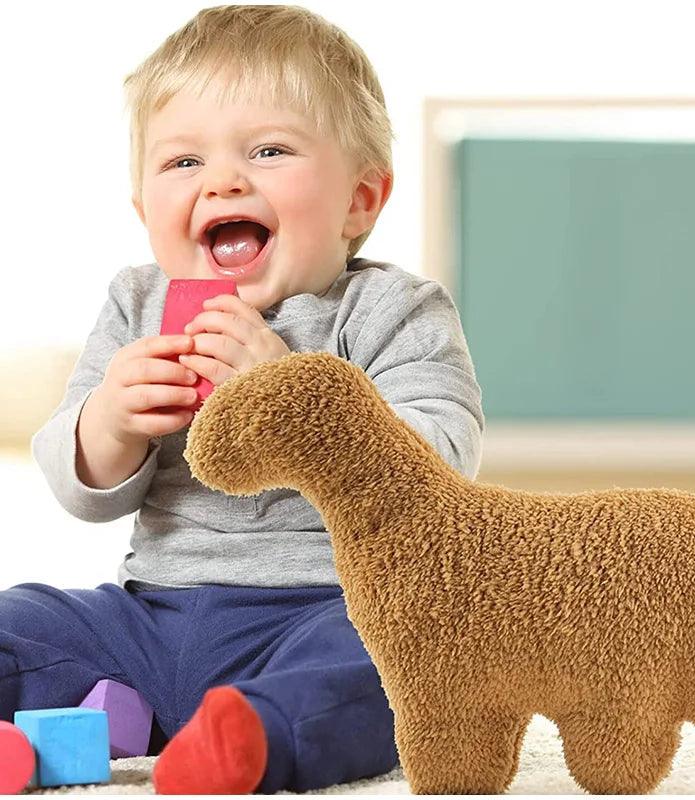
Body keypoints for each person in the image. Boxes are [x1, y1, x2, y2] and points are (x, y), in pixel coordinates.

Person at [15, 3, 484, 794]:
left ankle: (249, 738)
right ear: (142, 210)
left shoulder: (393, 311)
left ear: (361, 200)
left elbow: (440, 469)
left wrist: (292, 402)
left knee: (410, 657)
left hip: (324, 610)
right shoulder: (138, 303)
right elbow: (77, 485)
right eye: (181, 162)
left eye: (269, 151)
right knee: (22, 619)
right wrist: (110, 422)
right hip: (149, 617)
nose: (224, 180)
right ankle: (108, 714)